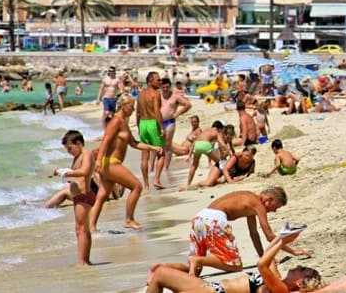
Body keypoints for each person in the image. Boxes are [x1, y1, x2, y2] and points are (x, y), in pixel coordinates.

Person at [184, 188, 309, 276]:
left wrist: (263, 257)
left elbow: (254, 234)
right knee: (235, 265)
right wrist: (293, 251)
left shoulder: (250, 199)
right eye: (276, 206)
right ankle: (197, 260)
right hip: (214, 221)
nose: (274, 211)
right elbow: (269, 236)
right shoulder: (258, 205)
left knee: (195, 271)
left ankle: (167, 269)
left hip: (199, 218)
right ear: (269, 200)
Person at [146, 232, 321, 293]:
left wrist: (282, 242)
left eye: (302, 269)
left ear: (299, 282)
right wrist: (284, 236)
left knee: (160, 274)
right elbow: (268, 256)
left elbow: (261, 264)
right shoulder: (277, 280)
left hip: (211, 291)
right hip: (208, 287)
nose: (298, 265)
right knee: (159, 272)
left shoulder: (280, 290)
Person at [90, 95, 162, 231]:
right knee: (137, 187)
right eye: (131, 106)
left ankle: (91, 227)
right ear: (123, 105)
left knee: (102, 196)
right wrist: (98, 160)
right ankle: (129, 219)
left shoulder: (123, 122)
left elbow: (134, 143)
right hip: (111, 163)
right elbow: (105, 140)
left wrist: (153, 147)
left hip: (109, 164)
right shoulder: (116, 121)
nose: (134, 110)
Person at [51, 130, 95, 265]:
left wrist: (67, 172)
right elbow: (77, 174)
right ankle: (85, 260)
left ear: (79, 143)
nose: (68, 151)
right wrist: (63, 173)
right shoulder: (77, 157)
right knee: (81, 229)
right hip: (78, 196)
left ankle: (82, 261)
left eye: (70, 148)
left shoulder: (86, 154)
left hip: (84, 195)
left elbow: (85, 171)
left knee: (81, 229)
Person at [157, 77, 192, 188]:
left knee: (167, 146)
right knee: (158, 145)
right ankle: (156, 168)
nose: (165, 89)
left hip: (170, 122)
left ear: (170, 86)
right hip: (159, 122)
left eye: (167, 87)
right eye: (163, 87)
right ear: (161, 87)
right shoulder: (158, 95)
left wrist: (178, 113)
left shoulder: (175, 96)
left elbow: (188, 105)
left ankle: (166, 167)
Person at [183, 120, 233, 190]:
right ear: (219, 128)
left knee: (194, 165)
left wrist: (189, 155)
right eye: (222, 129)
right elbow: (222, 143)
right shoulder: (217, 132)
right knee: (219, 162)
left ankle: (188, 184)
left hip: (197, 145)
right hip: (205, 145)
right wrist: (229, 151)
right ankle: (223, 177)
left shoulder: (205, 130)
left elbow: (194, 142)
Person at [137, 71, 165, 191]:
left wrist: (139, 127)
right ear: (150, 81)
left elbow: (137, 111)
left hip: (143, 123)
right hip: (153, 123)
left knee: (144, 156)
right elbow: (157, 111)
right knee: (161, 153)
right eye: (158, 80)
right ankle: (157, 180)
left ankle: (146, 185)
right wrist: (161, 127)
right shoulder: (156, 93)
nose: (160, 82)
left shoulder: (141, 93)